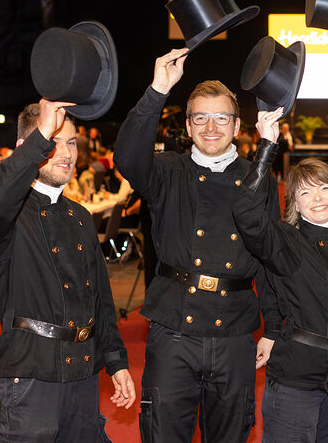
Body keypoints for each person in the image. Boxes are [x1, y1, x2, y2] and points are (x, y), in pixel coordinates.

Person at [114, 48, 281, 443]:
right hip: (173, 331)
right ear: (187, 127)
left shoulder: (258, 178)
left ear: (237, 125)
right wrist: (157, 90)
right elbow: (127, 157)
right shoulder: (167, 171)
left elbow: (271, 256)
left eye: (221, 117)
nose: (210, 127)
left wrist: (273, 327)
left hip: (236, 331)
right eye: (200, 118)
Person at [0, 100, 135, 442]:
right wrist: (40, 136)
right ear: (27, 146)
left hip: (84, 372)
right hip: (31, 375)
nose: (65, 152)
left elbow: (101, 299)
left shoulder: (80, 216)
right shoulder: (8, 216)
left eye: (71, 142)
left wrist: (116, 361)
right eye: (52, 141)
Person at [233, 108, 328, 442]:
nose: (317, 199)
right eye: (305, 192)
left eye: (324, 189)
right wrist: (266, 148)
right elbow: (245, 212)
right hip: (296, 381)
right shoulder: (285, 239)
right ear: (295, 205)